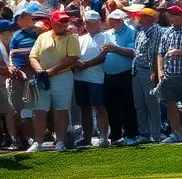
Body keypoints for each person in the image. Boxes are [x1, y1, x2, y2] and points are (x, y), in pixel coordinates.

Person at [26, 10, 80, 152]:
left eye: (65, 21)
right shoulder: (43, 37)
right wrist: (39, 71)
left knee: (61, 110)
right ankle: (38, 143)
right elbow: (33, 56)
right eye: (61, 21)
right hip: (43, 77)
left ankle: (60, 142)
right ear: (53, 22)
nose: (64, 24)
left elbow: (72, 58)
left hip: (62, 76)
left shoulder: (72, 37)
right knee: (39, 110)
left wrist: (51, 71)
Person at [157, 6, 182, 143]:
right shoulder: (167, 32)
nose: (171, 18)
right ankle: (175, 133)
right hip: (169, 73)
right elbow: (160, 54)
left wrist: (180, 51)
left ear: (181, 17)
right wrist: (160, 71)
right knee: (170, 104)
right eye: (170, 16)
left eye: (174, 15)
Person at [73, 10, 112, 148]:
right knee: (84, 108)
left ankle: (103, 137)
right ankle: (86, 137)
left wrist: (85, 65)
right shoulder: (81, 38)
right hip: (80, 77)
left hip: (97, 78)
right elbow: (74, 55)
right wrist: (76, 63)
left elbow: (103, 56)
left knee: (100, 107)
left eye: (91, 22)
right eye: (87, 22)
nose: (88, 24)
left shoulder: (106, 37)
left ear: (98, 23)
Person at [101, 8, 138, 145]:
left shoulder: (131, 32)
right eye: (111, 19)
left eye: (116, 19)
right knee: (111, 106)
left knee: (127, 105)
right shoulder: (107, 33)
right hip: (108, 74)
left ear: (121, 20)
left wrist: (114, 48)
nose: (113, 21)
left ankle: (131, 134)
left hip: (125, 73)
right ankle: (115, 135)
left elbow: (133, 52)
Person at [129, 7, 163, 143]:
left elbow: (156, 53)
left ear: (149, 18)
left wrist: (154, 71)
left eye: (142, 16)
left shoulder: (156, 31)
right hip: (136, 70)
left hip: (148, 70)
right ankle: (143, 133)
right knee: (139, 103)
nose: (139, 18)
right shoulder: (140, 31)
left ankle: (155, 134)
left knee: (152, 103)